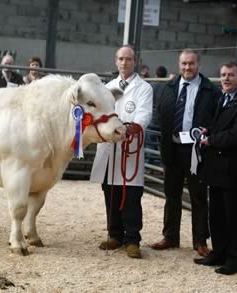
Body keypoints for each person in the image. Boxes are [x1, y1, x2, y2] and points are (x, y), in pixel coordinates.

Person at [152, 48, 221, 256]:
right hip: (172, 149)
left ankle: (200, 241)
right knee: (171, 195)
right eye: (184, 63)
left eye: (191, 63)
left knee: (198, 198)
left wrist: (208, 132)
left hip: (196, 151)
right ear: (179, 64)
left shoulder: (211, 90)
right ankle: (170, 237)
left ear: (198, 65)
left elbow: (217, 119)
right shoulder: (169, 87)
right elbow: (160, 115)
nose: (187, 67)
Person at [195, 62, 237, 275]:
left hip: (234, 168)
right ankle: (219, 252)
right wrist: (208, 130)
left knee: (233, 216)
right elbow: (220, 125)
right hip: (216, 167)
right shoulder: (222, 98)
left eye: (231, 75)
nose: (226, 79)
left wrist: (211, 140)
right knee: (217, 215)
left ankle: (234, 260)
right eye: (223, 75)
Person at [90, 45, 153, 259]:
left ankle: (132, 239)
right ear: (116, 61)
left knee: (131, 195)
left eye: (128, 59)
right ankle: (114, 234)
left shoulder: (144, 88)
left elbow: (144, 114)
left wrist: (131, 128)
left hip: (129, 147)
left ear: (135, 61)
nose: (124, 63)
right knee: (111, 191)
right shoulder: (107, 87)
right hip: (109, 147)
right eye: (121, 59)